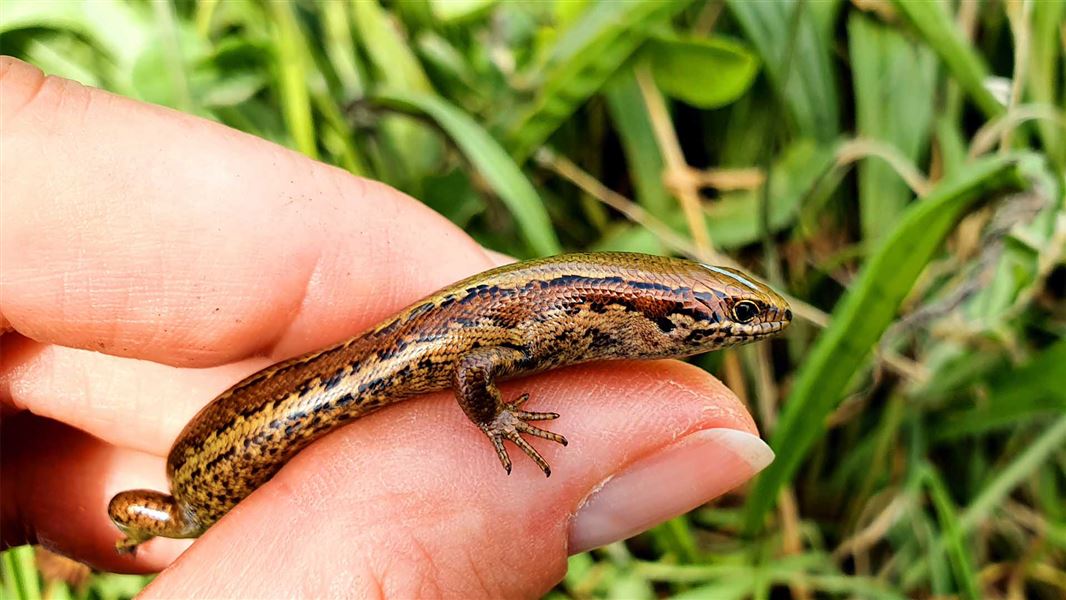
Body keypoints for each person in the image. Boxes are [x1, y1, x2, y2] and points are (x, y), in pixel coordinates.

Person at [0, 57, 773, 598]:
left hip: (286, 407)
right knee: (158, 514)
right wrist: (497, 421)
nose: (753, 325)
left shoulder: (572, 314)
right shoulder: (546, 318)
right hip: (212, 467)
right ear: (666, 313)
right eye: (737, 314)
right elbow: (471, 370)